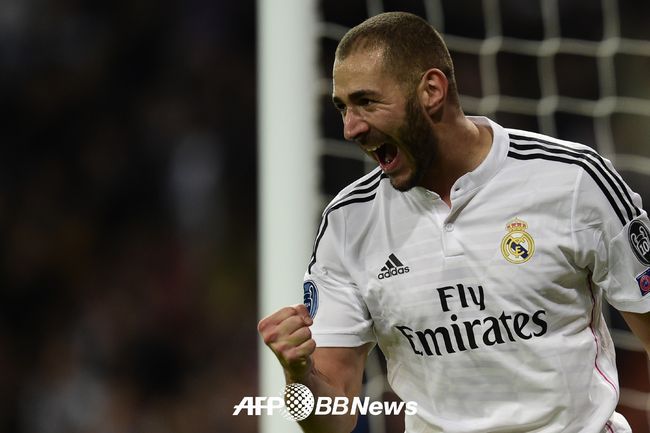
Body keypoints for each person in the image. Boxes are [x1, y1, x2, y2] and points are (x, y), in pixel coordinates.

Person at [258, 11, 650, 433]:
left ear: (431, 90)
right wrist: (298, 375)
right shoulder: (347, 223)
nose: (350, 128)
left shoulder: (574, 180)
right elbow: (329, 423)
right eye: (342, 107)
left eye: (366, 101)